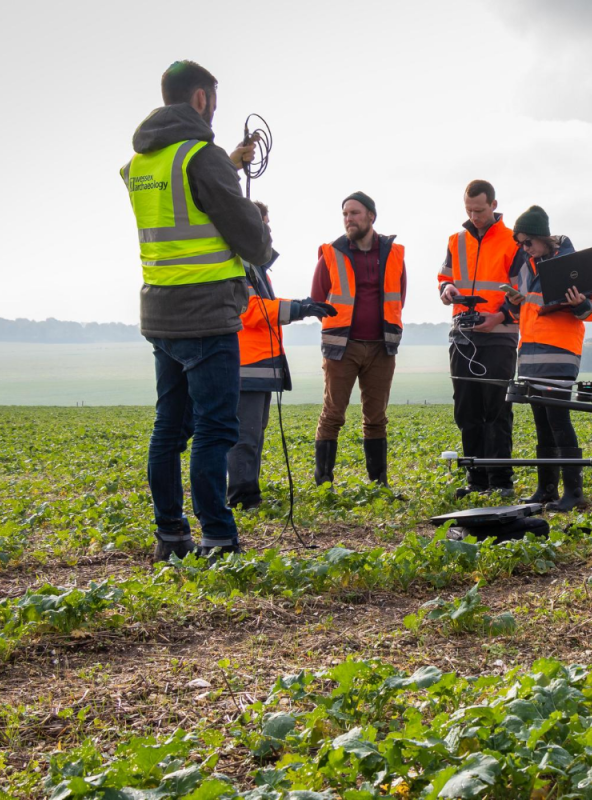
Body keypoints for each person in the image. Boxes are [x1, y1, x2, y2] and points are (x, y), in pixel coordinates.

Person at [122, 60, 272, 562]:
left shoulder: (142, 162)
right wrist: (258, 230)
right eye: (214, 101)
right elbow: (247, 235)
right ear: (202, 99)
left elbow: (184, 199)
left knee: (169, 426)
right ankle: (218, 536)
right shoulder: (201, 156)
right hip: (206, 312)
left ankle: (171, 536)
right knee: (215, 428)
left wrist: (227, 164)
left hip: (161, 314)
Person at [226, 201, 336, 509]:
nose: (269, 229)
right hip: (245, 363)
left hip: (259, 363)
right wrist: (300, 308)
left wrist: (302, 305)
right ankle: (242, 498)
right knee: (245, 437)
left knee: (254, 435)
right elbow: (251, 310)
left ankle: (248, 493)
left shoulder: (255, 267)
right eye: (264, 222)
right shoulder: (238, 264)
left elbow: (265, 306)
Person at [505, 206, 592, 511]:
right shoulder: (529, 266)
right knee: (541, 422)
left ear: (542, 238)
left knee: (558, 419)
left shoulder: (574, 264)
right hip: (529, 355)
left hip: (560, 354)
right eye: (521, 244)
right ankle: (546, 490)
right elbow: (527, 311)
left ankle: (574, 493)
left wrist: (582, 304)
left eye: (528, 242)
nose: (525, 249)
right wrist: (513, 304)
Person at [311, 191, 407, 486]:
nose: (348, 219)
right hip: (343, 348)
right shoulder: (331, 252)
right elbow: (317, 300)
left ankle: (379, 482)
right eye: (345, 214)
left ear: (371, 216)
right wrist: (342, 329)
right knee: (333, 415)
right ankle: (324, 483)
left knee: (376, 417)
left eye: (354, 213)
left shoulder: (393, 253)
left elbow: (399, 296)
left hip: (381, 347)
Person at [439, 180, 525, 499]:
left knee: (497, 410)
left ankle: (501, 481)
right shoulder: (455, 240)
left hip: (499, 337)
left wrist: (499, 317)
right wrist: (446, 290)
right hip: (462, 334)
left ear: (493, 204)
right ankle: (476, 481)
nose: (473, 216)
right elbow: (444, 278)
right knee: (466, 410)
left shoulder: (513, 242)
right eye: (468, 210)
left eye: (479, 209)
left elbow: (521, 291)